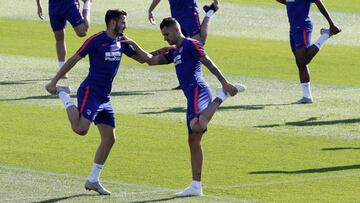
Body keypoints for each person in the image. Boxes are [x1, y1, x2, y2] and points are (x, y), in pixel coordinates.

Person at [121, 17, 246, 196]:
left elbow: (208, 61)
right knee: (193, 140)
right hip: (190, 96)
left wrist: (224, 82)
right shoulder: (175, 51)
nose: (165, 38)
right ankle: (196, 187)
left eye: (166, 34)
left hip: (198, 90)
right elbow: (150, 60)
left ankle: (221, 96)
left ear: (176, 30)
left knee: (197, 125)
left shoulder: (191, 44)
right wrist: (132, 43)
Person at [45, 9, 148, 195]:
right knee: (81, 129)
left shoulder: (122, 42)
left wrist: (136, 44)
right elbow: (74, 59)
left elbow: (144, 59)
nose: (125, 25)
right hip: (90, 92)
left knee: (110, 138)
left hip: (105, 97)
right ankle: (64, 95)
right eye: (123, 22)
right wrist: (55, 81)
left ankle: (93, 180)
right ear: (113, 23)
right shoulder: (96, 40)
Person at [276, 0, 341, 104]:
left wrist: (331, 23)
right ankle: (307, 97)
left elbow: (319, 2)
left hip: (303, 27)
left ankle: (326, 35)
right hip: (293, 27)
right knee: (299, 62)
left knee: (303, 60)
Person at [148, 0, 219, 90]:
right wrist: (150, 10)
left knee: (197, 43)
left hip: (189, 13)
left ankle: (210, 12)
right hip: (176, 17)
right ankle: (210, 11)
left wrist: (216, 2)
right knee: (184, 45)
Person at [36, 0, 92, 78]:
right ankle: (62, 70)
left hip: (69, 4)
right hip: (54, 6)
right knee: (59, 36)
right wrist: (39, 5)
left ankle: (87, 6)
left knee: (82, 32)